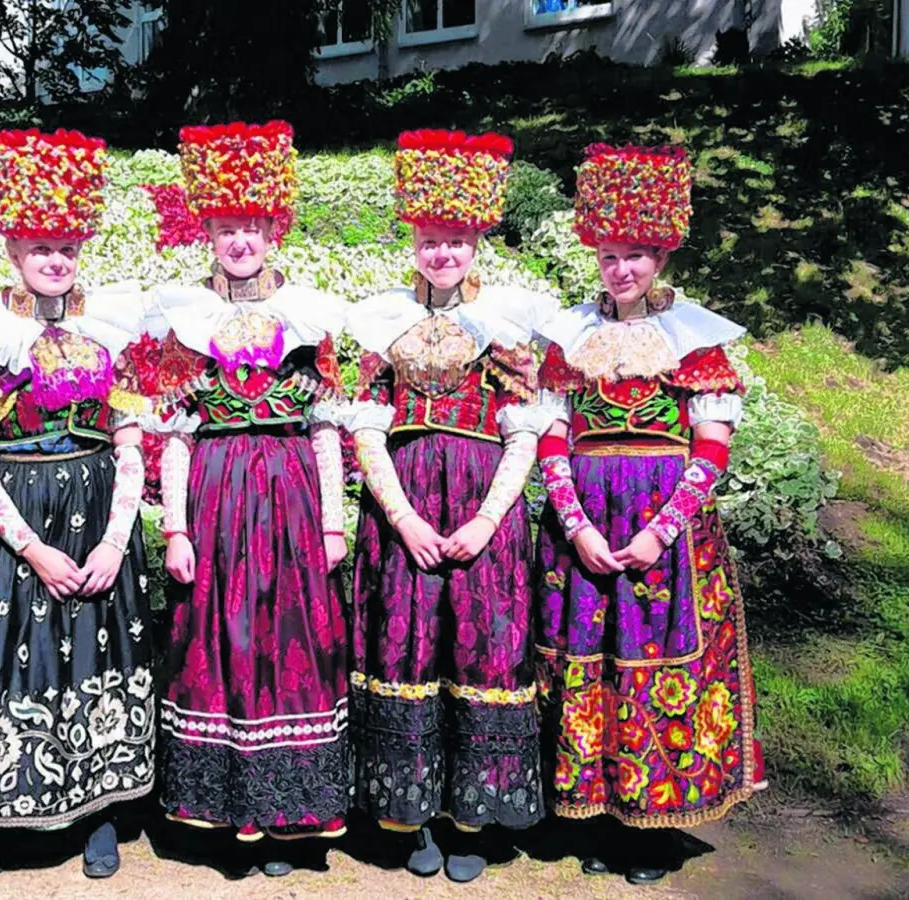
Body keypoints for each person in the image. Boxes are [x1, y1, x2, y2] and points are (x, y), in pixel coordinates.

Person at [0, 128, 156, 881]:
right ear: (13, 252)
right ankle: (1, 819)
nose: (55, 260)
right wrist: (33, 549)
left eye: (67, 248)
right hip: (15, 529)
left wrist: (114, 544)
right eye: (39, 247)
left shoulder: (109, 332)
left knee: (97, 656)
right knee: (11, 661)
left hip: (94, 514)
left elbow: (131, 445)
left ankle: (100, 815)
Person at [533, 143, 767, 885]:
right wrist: (577, 525)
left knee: (659, 666)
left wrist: (659, 530)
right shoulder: (569, 336)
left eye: (636, 254)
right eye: (609, 255)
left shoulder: (693, 339)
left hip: (666, 531)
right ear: (594, 255)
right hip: (587, 527)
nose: (622, 269)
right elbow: (550, 437)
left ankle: (656, 828)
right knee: (589, 664)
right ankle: (597, 813)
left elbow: (711, 447)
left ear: (660, 255)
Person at [343, 130, 557, 883]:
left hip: (478, 510)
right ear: (415, 240)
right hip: (403, 512)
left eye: (456, 241)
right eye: (431, 241)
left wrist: (486, 520)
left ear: (476, 242)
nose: (442, 254)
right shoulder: (380, 322)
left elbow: (524, 434)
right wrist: (400, 516)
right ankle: (413, 814)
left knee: (480, 648)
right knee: (405, 648)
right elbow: (365, 429)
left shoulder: (503, 324)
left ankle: (474, 812)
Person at [144, 121, 351, 878]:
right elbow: (174, 434)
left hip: (293, 501)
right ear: (207, 231)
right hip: (218, 505)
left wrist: (332, 521)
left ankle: (289, 812)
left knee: (288, 643)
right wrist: (175, 529)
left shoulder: (307, 317)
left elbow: (327, 425)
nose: (239, 240)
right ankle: (225, 807)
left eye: (251, 227)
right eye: (225, 227)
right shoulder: (186, 322)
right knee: (220, 642)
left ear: (274, 228)